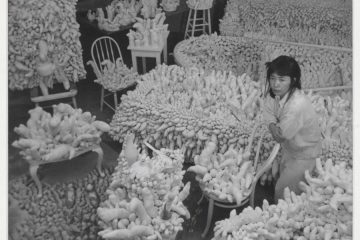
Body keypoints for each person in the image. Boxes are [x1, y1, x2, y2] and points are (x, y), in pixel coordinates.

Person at [262, 55, 322, 202]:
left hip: (304, 155)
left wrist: (272, 125)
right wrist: (273, 124)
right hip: (290, 150)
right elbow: (268, 110)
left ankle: (282, 219)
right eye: (272, 78)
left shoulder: (296, 106)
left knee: (283, 192)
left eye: (282, 80)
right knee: (286, 186)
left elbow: (280, 136)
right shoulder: (277, 95)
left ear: (293, 80)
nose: (275, 84)